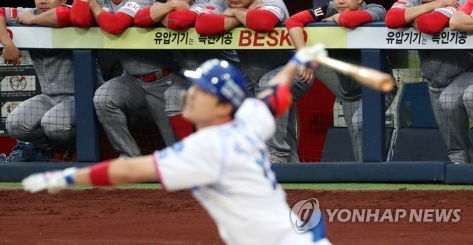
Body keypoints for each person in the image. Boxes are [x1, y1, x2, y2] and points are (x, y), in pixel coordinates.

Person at [21, 47, 331, 245]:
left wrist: (62, 178)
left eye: (202, 92)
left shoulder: (202, 152)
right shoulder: (250, 118)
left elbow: (129, 170)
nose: (191, 94)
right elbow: (274, 95)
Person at [70, 0, 184, 158]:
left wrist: (95, 7)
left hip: (163, 81)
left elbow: (114, 26)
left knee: (179, 152)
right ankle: (130, 157)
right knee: (103, 98)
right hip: (131, 80)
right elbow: (77, 20)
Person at [195, 0, 311, 163]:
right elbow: (203, 24)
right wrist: (243, 15)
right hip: (254, 73)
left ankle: (274, 156)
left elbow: (264, 22)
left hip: (294, 70)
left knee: (270, 86)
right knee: (284, 131)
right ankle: (295, 177)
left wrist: (233, 14)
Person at [0, 0, 101, 161]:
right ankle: (54, 150)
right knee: (15, 124)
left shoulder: (72, 9)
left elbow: (63, 16)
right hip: (49, 97)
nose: (43, 0)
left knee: (53, 124)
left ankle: (85, 151)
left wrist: (32, 20)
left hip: (82, 95)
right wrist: (7, 44)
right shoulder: (28, 12)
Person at [286, 0, 397, 161]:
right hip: (349, 93)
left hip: (378, 88)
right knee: (358, 142)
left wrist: (334, 19)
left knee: (360, 122)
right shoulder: (328, 9)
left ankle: (375, 176)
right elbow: (293, 21)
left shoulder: (376, 9)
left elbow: (348, 20)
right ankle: (367, 183)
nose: (340, 0)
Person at [134, 0, 240, 140]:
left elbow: (181, 21)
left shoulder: (203, 5)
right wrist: (168, 8)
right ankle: (184, 151)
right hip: (195, 79)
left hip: (229, 77)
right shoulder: (167, 9)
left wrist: (162, 13)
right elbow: (139, 19)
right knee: (173, 94)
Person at [385, 0, 472, 164]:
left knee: (455, 101)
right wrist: (434, 4)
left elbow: (430, 24)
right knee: (455, 150)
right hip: (436, 82)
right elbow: (391, 19)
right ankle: (460, 187)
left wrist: (412, 18)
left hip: (465, 72)